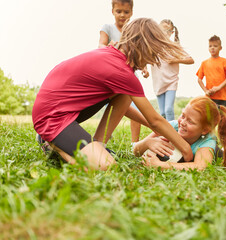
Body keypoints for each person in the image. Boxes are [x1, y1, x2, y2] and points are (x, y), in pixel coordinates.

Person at [32, 18, 194, 170]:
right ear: (144, 46)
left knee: (124, 95)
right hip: (52, 118)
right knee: (107, 167)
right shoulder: (122, 71)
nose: (151, 61)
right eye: (152, 55)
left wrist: (156, 130)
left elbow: (126, 108)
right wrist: (186, 149)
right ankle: (52, 143)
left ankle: (98, 145)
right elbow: (155, 120)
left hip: (62, 110)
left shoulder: (115, 57)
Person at [134, 96, 226, 171]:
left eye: (190, 121)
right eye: (183, 116)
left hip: (215, 152)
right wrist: (147, 143)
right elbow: (135, 150)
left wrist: (160, 165)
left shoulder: (207, 141)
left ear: (204, 130)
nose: (182, 122)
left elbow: (200, 167)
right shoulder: (173, 125)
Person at [98, 0, 148, 147]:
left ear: (131, 13)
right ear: (112, 11)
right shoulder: (107, 28)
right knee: (113, 104)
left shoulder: (133, 32)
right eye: (118, 11)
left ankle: (135, 142)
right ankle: (103, 137)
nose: (122, 15)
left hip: (129, 75)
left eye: (126, 12)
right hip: (112, 75)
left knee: (137, 107)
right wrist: (109, 46)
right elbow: (100, 44)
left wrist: (143, 67)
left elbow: (137, 54)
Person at [150, 19, 194, 121]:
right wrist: (144, 69)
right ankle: (164, 134)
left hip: (171, 82)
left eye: (167, 31)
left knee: (169, 109)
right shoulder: (154, 46)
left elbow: (191, 60)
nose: (165, 33)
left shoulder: (174, 46)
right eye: (162, 30)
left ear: (172, 32)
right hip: (159, 83)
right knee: (163, 113)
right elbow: (145, 58)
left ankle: (172, 133)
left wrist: (175, 60)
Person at [196, 35, 226, 109]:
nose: (212, 48)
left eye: (215, 46)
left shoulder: (225, 61)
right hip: (209, 98)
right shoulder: (204, 63)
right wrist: (205, 90)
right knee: (210, 120)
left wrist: (218, 88)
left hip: (223, 98)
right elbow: (199, 79)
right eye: (210, 46)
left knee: (223, 119)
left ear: (220, 48)